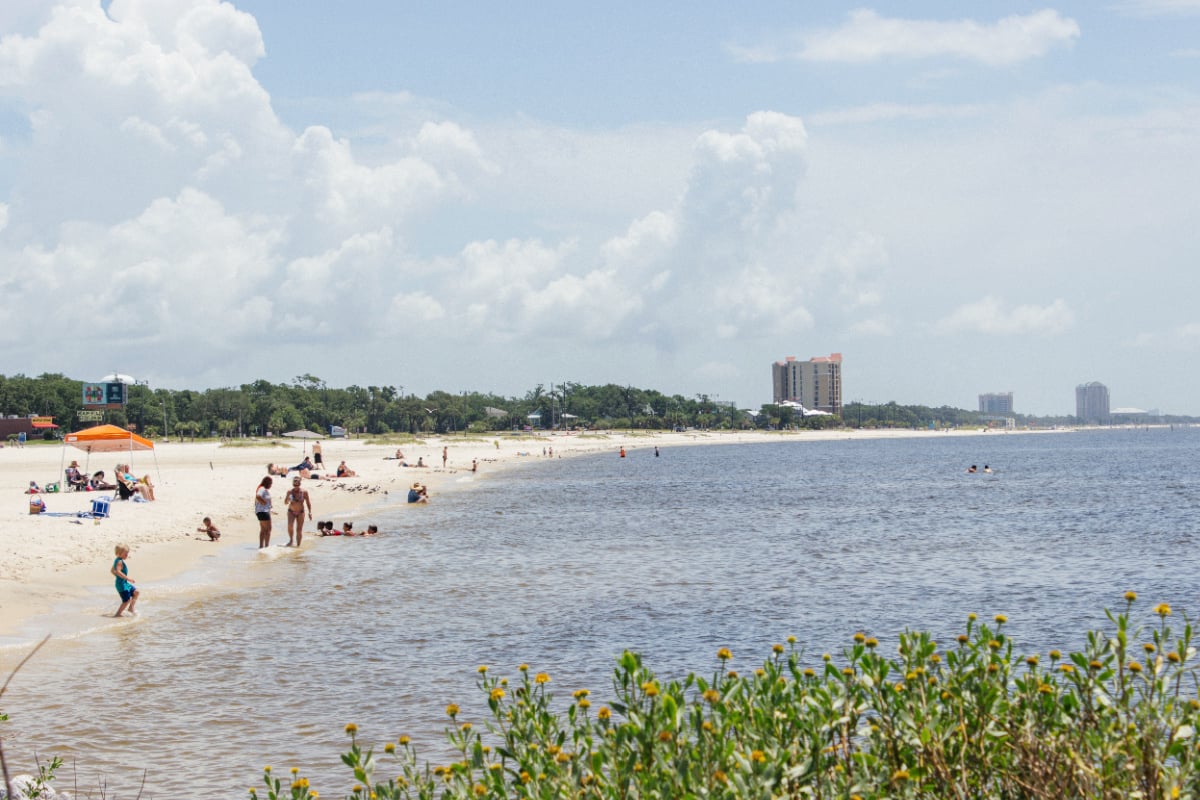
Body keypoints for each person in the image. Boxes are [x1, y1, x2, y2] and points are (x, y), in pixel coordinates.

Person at [112, 544, 139, 617]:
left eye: (127, 553)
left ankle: (130, 608)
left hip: (124, 583)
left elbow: (112, 570)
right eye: (125, 554)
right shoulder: (119, 562)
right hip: (121, 585)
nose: (127, 555)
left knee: (136, 592)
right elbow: (117, 571)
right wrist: (128, 578)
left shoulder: (118, 560)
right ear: (119, 553)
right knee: (126, 601)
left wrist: (120, 577)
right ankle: (117, 614)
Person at [284, 477, 312, 546]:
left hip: (301, 512)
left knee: (299, 530)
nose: (296, 487)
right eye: (294, 485)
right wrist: (288, 498)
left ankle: (298, 545)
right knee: (290, 526)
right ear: (293, 484)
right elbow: (285, 502)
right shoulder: (289, 491)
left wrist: (310, 512)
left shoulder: (304, 492)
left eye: (297, 485)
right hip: (291, 511)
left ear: (300, 484)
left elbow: (308, 502)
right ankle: (291, 540)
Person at [255, 476, 273, 548]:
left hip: (261, 511)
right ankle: (267, 546)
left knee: (263, 530)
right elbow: (258, 496)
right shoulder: (262, 489)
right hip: (263, 512)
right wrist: (264, 502)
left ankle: (261, 546)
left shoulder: (263, 489)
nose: (271, 485)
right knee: (268, 529)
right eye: (271, 483)